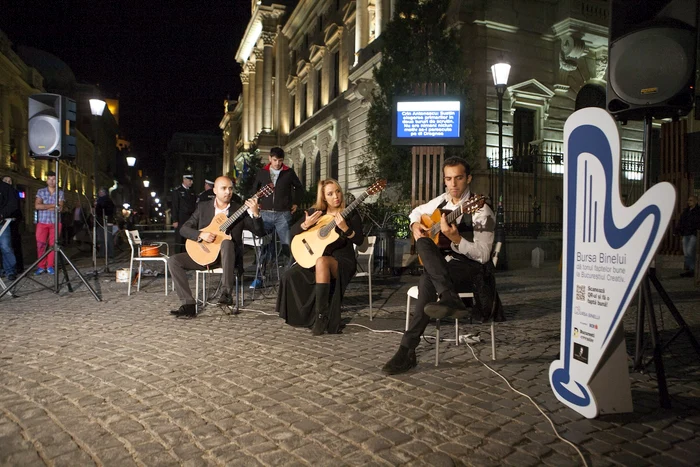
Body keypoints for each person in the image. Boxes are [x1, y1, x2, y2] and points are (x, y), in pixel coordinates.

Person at [382, 157, 496, 375]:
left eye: (459, 178)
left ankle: (406, 351)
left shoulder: (481, 211)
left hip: (470, 269)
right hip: (444, 268)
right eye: (448, 179)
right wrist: (416, 225)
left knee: (428, 279)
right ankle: (448, 297)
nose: (453, 184)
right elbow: (415, 213)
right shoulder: (442, 201)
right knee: (424, 241)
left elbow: (483, 256)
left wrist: (456, 240)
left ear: (468, 178)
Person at [168, 176, 266, 318]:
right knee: (173, 261)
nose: (228, 192)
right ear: (214, 190)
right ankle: (188, 305)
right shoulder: (203, 207)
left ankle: (226, 294)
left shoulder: (239, 210)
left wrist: (256, 214)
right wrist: (201, 234)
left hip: (227, 259)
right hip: (204, 255)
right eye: (224, 188)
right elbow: (184, 229)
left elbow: (260, 232)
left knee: (226, 243)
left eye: (230, 188)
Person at [277, 178, 364, 335]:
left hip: (342, 261)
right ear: (324, 197)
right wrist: (305, 225)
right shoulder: (316, 213)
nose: (335, 196)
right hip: (317, 259)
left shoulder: (350, 213)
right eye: (330, 194)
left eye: (337, 191)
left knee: (322, 261)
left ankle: (321, 316)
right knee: (290, 275)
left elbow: (359, 240)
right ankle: (303, 317)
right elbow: (292, 232)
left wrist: (346, 228)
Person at [251, 146, 304, 288]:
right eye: (275, 160)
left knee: (287, 245)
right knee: (264, 245)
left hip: (283, 215)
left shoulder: (289, 172)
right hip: (265, 214)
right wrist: (256, 203)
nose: (277, 163)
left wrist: (296, 203)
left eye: (280, 160)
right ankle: (259, 277)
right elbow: (254, 189)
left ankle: (289, 278)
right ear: (270, 158)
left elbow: (299, 188)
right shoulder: (263, 172)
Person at [34, 171, 64, 275]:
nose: (52, 181)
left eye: (54, 179)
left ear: (57, 181)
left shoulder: (60, 193)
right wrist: (52, 206)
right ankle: (41, 266)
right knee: (40, 244)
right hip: (42, 222)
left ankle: (50, 265)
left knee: (53, 245)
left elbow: (60, 208)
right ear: (46, 180)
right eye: (50, 179)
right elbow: (37, 206)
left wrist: (45, 205)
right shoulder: (41, 191)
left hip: (55, 222)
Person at [1, 175, 23, 274]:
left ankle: (12, 270)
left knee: (7, 246)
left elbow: (14, 206)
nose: (8, 182)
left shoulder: (10, 191)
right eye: (6, 180)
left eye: (10, 180)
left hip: (7, 222)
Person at [171, 174, 197, 253]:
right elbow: (174, 206)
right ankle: (178, 255)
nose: (191, 182)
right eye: (190, 180)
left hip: (190, 218)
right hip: (181, 218)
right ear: (184, 180)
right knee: (180, 239)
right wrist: (175, 220)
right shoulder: (177, 191)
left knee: (189, 238)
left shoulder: (192, 191)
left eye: (192, 180)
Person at [678, 195, 700, 278]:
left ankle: (693, 269)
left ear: (696, 201)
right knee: (686, 252)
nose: (689, 202)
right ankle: (691, 269)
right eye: (688, 200)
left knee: (690, 250)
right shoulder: (686, 211)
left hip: (693, 233)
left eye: (691, 200)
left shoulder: (698, 211)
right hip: (686, 233)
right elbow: (682, 221)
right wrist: (678, 230)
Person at [95, 187, 116, 258]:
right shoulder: (99, 201)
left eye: (101, 192)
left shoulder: (108, 201)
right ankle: (102, 253)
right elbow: (98, 211)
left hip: (107, 221)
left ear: (104, 193)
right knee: (101, 239)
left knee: (108, 238)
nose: (100, 193)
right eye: (99, 192)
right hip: (100, 222)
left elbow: (109, 211)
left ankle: (111, 253)